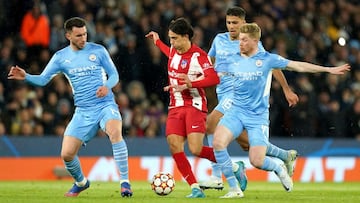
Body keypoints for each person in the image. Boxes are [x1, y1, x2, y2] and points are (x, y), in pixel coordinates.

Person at [212, 23, 350, 198]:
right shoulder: (233, 59)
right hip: (236, 111)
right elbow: (212, 73)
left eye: (244, 40)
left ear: (255, 41)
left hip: (257, 117)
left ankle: (278, 167)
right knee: (218, 143)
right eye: (240, 40)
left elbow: (298, 66)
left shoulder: (268, 60)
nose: (240, 43)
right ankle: (234, 189)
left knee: (257, 160)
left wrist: (328, 70)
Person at [8, 17, 133, 198]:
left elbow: (114, 74)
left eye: (85, 34)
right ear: (68, 36)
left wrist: (107, 87)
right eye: (79, 35)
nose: (83, 38)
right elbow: (43, 79)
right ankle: (81, 183)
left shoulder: (98, 51)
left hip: (105, 105)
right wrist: (26, 76)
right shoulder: (60, 57)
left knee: (115, 132)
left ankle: (125, 183)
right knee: (66, 154)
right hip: (83, 111)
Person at [201, 6, 299, 191]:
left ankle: (216, 177)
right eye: (228, 22)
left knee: (210, 124)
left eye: (235, 23)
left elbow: (272, 64)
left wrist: (286, 89)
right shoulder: (219, 40)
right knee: (247, 144)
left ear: (243, 23)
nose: (231, 26)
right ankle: (284, 157)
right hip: (222, 94)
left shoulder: (248, 43)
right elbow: (209, 62)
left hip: (236, 95)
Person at [145, 17, 225, 198]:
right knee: (174, 145)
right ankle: (195, 188)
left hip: (194, 105)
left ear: (186, 36)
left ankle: (234, 167)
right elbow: (169, 52)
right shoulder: (174, 50)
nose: (171, 42)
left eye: (174, 38)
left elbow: (214, 78)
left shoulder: (199, 56)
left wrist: (192, 83)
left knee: (195, 149)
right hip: (175, 106)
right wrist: (157, 42)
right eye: (170, 38)